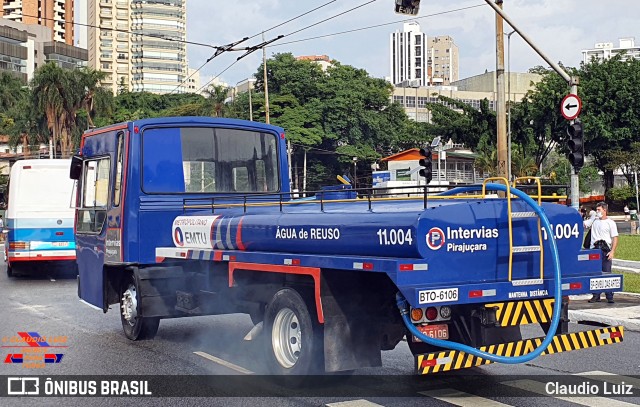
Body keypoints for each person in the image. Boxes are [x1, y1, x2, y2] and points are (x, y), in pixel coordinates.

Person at [584, 202, 618, 303]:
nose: (597, 212)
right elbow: (585, 224)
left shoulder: (610, 223)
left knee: (606, 272)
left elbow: (615, 238)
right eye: (597, 210)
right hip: (594, 249)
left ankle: (609, 295)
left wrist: (612, 251)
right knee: (595, 273)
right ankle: (596, 295)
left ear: (604, 210)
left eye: (599, 210)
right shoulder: (594, 220)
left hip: (605, 250)